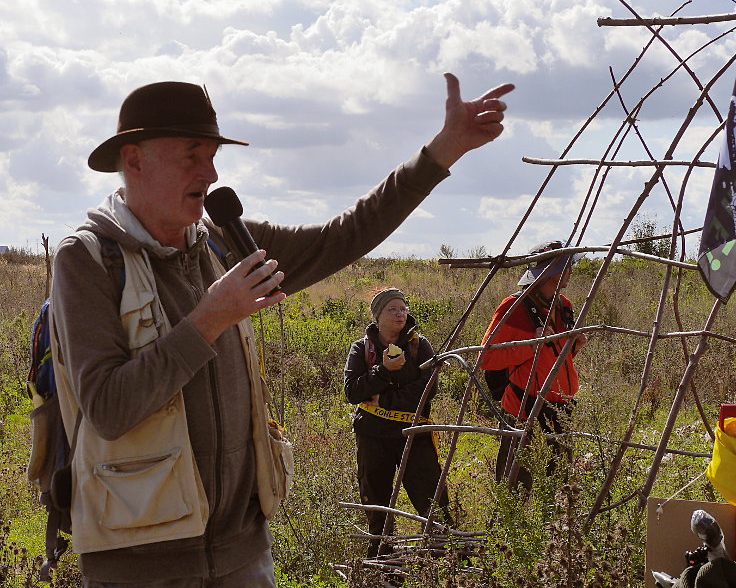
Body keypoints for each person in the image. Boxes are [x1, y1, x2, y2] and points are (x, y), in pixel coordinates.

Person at [49, 75, 513, 587]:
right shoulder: (87, 260)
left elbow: (345, 235)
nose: (211, 171)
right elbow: (109, 409)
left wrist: (444, 150)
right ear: (134, 160)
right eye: (192, 155)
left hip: (243, 555)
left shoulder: (225, 242)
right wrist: (210, 318)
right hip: (140, 566)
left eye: (212, 155)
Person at [344, 288, 451, 558]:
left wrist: (383, 400)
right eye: (392, 309)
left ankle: (446, 556)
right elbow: (352, 392)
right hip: (372, 435)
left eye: (403, 308)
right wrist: (383, 371)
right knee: (376, 498)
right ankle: (383, 558)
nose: (400, 314)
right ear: (378, 316)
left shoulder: (419, 345)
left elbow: (426, 390)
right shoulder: (361, 349)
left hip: (414, 434)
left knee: (431, 497)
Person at [477, 240, 586, 490]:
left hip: (561, 410)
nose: (570, 272)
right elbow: (487, 358)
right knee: (516, 488)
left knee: (559, 487)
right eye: (566, 267)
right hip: (525, 409)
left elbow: (553, 360)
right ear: (554, 272)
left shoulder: (563, 305)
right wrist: (532, 343)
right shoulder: (514, 306)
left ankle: (555, 529)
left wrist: (574, 346)